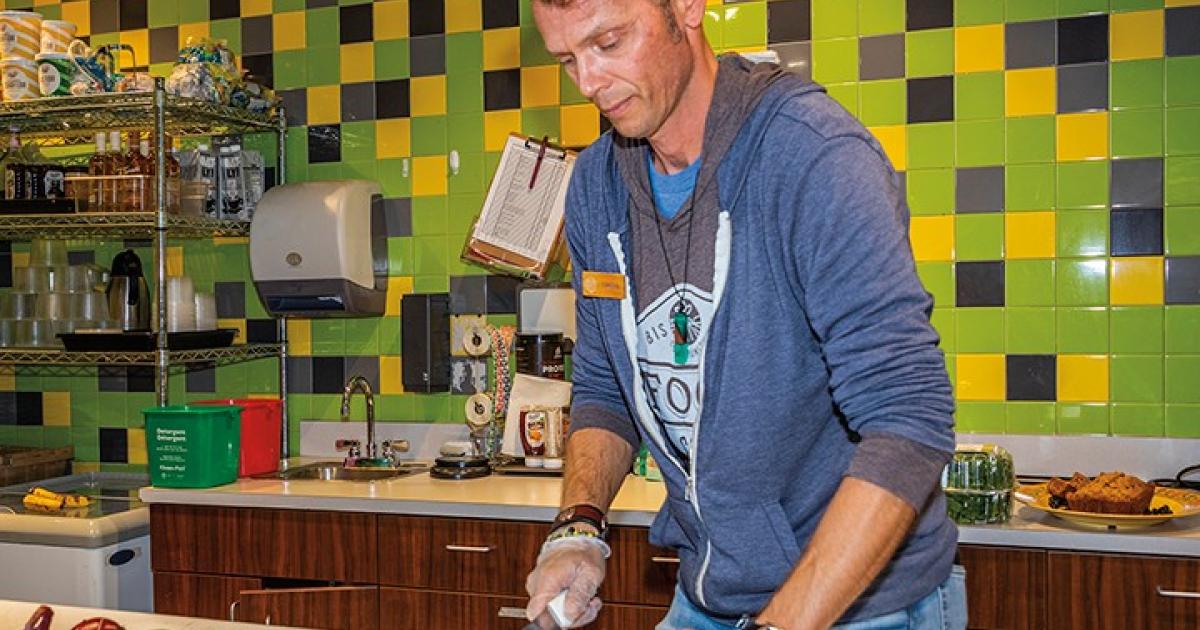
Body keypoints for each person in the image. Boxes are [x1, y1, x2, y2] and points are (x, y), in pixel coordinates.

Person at [524, 0, 966, 628]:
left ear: (686, 8)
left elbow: (908, 416)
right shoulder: (597, 184)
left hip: (863, 604)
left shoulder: (811, 155)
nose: (590, 83)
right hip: (709, 596)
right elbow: (605, 392)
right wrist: (578, 528)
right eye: (568, 60)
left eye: (610, 42)